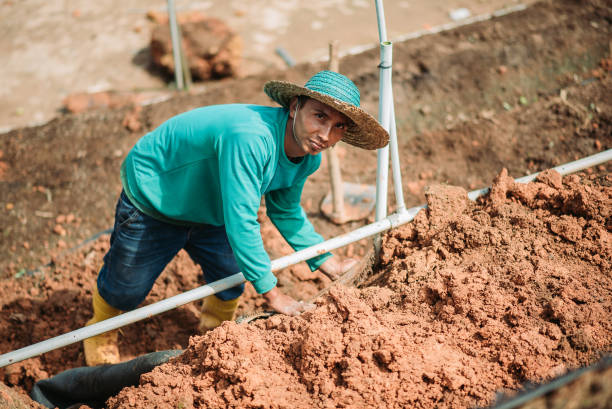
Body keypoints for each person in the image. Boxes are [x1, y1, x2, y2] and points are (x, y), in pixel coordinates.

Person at [83, 70, 389, 366]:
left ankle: (215, 333)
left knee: (230, 277)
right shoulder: (251, 138)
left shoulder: (307, 157)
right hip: (159, 196)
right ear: (295, 107)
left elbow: (285, 211)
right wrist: (272, 294)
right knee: (126, 286)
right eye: (320, 116)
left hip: (213, 205)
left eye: (338, 126)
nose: (325, 135)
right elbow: (241, 219)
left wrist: (329, 262)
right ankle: (100, 331)